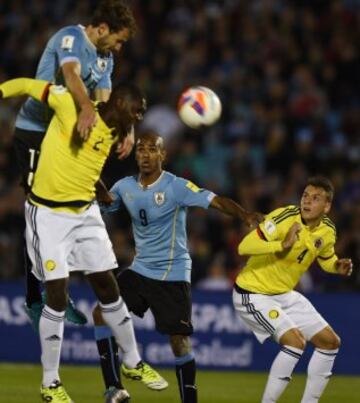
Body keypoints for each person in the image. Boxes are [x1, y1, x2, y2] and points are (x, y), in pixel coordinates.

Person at [0, 78, 167, 403]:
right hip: (48, 214)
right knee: (58, 294)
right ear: (119, 104)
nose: (137, 121)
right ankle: (50, 383)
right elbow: (25, 85)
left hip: (85, 212)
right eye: (135, 113)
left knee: (108, 287)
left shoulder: (116, 133)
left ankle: (133, 361)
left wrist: (103, 194)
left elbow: (86, 168)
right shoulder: (71, 105)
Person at [93, 130, 262, 403]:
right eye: (140, 149)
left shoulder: (176, 186)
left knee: (179, 342)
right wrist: (94, 181)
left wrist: (244, 214)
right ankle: (114, 388)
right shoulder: (125, 186)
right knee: (102, 313)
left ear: (163, 155)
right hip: (140, 269)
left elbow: (216, 201)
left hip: (173, 273)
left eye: (152, 149)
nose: (145, 155)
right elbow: (107, 204)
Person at [13, 0, 137, 328]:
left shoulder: (105, 58)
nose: (120, 48)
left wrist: (125, 128)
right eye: (119, 39)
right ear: (102, 28)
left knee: (68, 210)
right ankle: (35, 298)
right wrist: (84, 106)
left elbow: (107, 99)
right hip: (37, 131)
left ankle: (57, 290)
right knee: (40, 210)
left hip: (68, 134)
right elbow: (70, 74)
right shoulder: (70, 38)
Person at [232, 176, 353, 403]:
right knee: (295, 342)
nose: (307, 201)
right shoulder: (285, 216)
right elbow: (244, 246)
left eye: (315, 198)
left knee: (330, 342)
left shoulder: (327, 230)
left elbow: (326, 258)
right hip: (252, 292)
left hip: (284, 294)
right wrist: (282, 244)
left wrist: (337, 266)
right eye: (305, 195)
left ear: (327, 206)